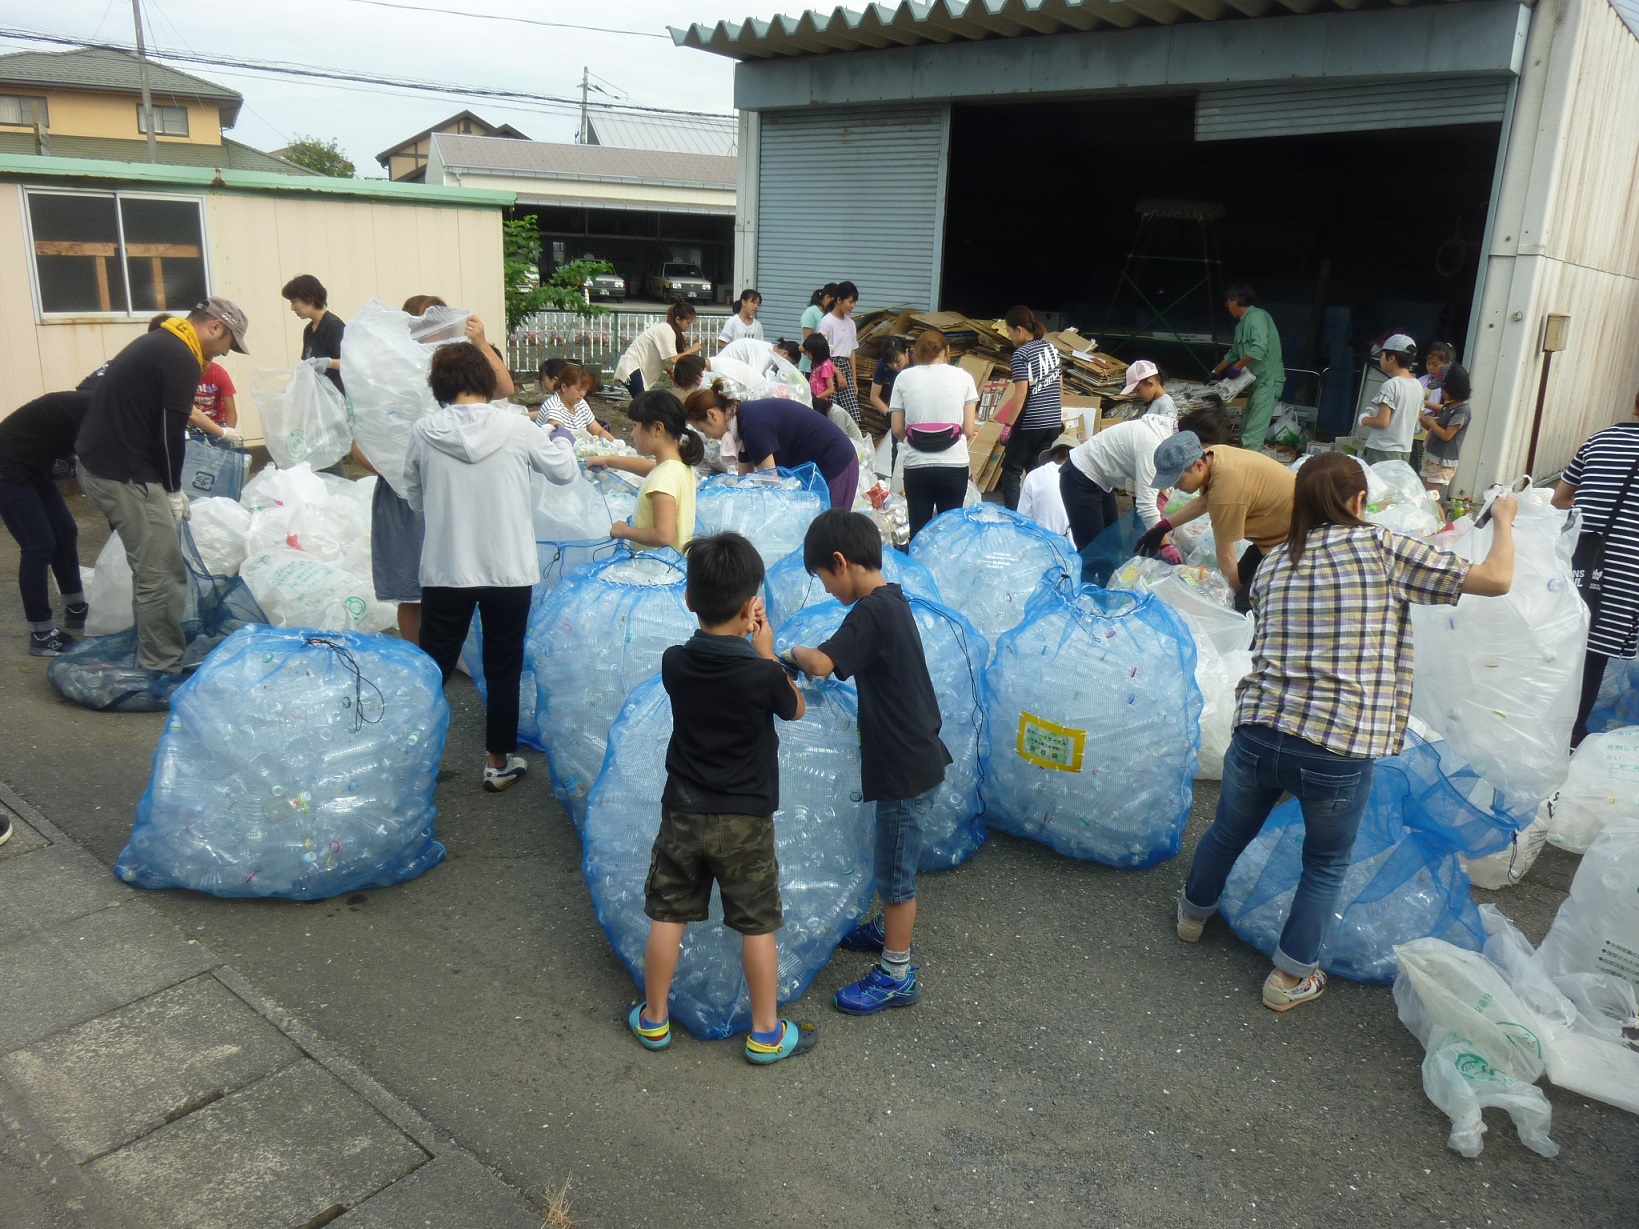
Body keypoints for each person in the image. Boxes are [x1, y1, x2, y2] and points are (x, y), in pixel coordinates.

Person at [1176, 453, 1517, 1010]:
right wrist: (1502, 519)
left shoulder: (1276, 562)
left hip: (1259, 728)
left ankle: (1192, 914)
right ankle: (1289, 979)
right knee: (1326, 862)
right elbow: (1497, 579)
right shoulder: (1380, 546)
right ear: (1359, 503)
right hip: (1335, 745)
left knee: (1227, 831)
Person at [628, 531, 815, 1064]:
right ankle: (765, 1031)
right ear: (750, 607)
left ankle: (655, 1018)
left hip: (683, 810)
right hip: (745, 820)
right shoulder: (762, 675)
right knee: (756, 924)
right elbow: (795, 709)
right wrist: (764, 650)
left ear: (689, 600)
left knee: (669, 914)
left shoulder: (673, 663)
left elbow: (707, 659)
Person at [781, 510, 950, 1015]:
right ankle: (885, 927)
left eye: (824, 580)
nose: (828, 591)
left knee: (896, 876)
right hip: (916, 756)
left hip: (903, 769)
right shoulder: (891, 600)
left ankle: (897, 973)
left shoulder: (870, 612)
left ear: (840, 562)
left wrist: (784, 652)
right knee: (893, 858)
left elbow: (822, 663)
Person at [404, 343, 578, 791]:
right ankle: (498, 762)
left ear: (438, 385)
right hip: (508, 567)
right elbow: (562, 472)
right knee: (503, 665)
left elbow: (414, 497)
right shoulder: (517, 426)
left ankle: (406, 759)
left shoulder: (423, 431)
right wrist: (562, 437)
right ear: (484, 379)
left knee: (433, 665)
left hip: (446, 568)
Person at [75, 297, 249, 674]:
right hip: (122, 473)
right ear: (216, 327)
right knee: (162, 573)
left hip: (110, 464)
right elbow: (171, 432)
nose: (223, 356)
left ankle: (152, 651)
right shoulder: (180, 356)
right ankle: (160, 664)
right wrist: (172, 488)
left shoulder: (160, 342)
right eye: (227, 346)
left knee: (155, 568)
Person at [358, 294, 515, 647]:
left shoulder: (455, 366)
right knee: (411, 589)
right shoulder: (385, 372)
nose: (437, 334)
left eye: (441, 325)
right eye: (427, 326)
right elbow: (360, 436)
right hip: (403, 495)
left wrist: (479, 341)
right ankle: (418, 664)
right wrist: (392, 471)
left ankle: (444, 656)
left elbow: (504, 388)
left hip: (451, 487)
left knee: (454, 581)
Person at [1553, 388, 1639, 747]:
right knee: (1594, 655)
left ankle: (1543, 722)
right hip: (1628, 571)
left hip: (1580, 561)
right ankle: (1570, 734)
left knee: (1562, 643)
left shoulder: (1600, 439)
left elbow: (1559, 498)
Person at [1136, 431, 1296, 614]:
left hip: (1291, 541)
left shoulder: (1225, 490)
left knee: (1243, 607)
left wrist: (1234, 598)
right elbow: (1205, 501)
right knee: (1231, 583)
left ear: (1198, 465)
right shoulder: (1214, 456)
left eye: (1178, 480)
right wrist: (1162, 527)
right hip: (1272, 535)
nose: (1175, 487)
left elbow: (1226, 557)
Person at [0, 390, 92, 656]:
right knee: (38, 544)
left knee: (65, 531)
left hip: (35, 466)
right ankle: (41, 634)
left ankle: (76, 609)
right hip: (8, 468)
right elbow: (100, 471)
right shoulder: (98, 412)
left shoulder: (103, 406)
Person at [685, 382, 861, 511]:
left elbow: (770, 481)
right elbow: (743, 478)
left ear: (713, 415)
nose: (707, 436)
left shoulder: (752, 425)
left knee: (831, 529)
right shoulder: (743, 422)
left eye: (703, 429)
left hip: (836, 461)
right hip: (823, 464)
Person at [587, 389, 701, 552]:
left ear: (657, 429)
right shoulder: (678, 465)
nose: (632, 433)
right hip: (674, 566)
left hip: (656, 570)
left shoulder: (663, 478)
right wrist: (608, 460)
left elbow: (664, 536)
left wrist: (624, 531)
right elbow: (649, 468)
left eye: (634, 426)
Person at [890, 330, 978, 538]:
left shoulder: (904, 377)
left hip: (917, 465)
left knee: (919, 531)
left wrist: (915, 442)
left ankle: (919, 569)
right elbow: (967, 428)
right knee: (950, 533)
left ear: (915, 353)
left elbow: (896, 428)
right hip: (954, 465)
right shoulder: (964, 377)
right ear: (947, 351)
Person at [995, 306, 1064, 511]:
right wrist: (1056, 414)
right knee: (1037, 469)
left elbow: (1021, 392)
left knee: (1011, 469)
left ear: (1019, 329)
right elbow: (1059, 386)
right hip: (1052, 422)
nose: (1009, 338)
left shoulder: (1021, 355)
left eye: (1008, 332)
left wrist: (1008, 425)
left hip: (1030, 422)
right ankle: (1039, 514)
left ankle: (1014, 518)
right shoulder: (1051, 349)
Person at [1213, 285, 1285, 451]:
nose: (1227, 307)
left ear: (1236, 299)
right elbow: (1233, 352)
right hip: (1255, 382)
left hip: (1268, 381)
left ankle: (1248, 471)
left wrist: (1237, 367)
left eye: (1228, 302)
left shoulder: (1257, 317)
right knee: (1245, 428)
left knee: (1253, 434)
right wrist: (1215, 371)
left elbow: (1258, 348)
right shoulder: (1241, 325)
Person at [614, 299, 699, 399]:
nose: (689, 326)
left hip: (632, 368)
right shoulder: (667, 330)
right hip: (631, 368)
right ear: (678, 319)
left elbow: (661, 356)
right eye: (688, 323)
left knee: (642, 404)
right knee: (642, 403)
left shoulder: (666, 329)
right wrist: (692, 349)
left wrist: (670, 372)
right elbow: (674, 359)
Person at [1358, 335, 1422, 465]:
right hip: (1404, 451)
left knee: (1375, 484)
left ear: (1392, 358)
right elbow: (1416, 420)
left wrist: (1364, 419)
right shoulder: (1417, 385)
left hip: (1382, 449)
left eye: (1382, 355)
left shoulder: (1391, 385)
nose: (1380, 359)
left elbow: (1382, 422)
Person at [1418, 364, 1472, 513]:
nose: (1441, 391)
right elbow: (1440, 409)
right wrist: (1422, 403)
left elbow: (1447, 435)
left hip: (1442, 461)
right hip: (1431, 455)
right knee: (1425, 495)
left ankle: (1441, 527)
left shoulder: (1462, 411)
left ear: (1454, 389)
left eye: (1443, 388)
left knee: (1432, 499)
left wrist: (1430, 422)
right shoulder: (1450, 405)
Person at [281, 274, 345, 395]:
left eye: (294, 302)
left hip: (338, 400)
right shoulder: (309, 330)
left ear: (309, 299)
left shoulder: (333, 326)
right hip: (320, 400)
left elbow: (352, 364)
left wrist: (329, 362)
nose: (292, 308)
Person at [1018, 433, 1076, 540]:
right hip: (1075, 549)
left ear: (1051, 456)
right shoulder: (1084, 478)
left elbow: (1022, 519)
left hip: (1041, 545)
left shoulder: (1033, 476)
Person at [816, 282, 860, 422]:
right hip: (829, 368)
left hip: (845, 368)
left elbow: (852, 352)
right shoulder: (826, 322)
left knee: (853, 416)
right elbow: (821, 353)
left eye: (855, 302)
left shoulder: (851, 323)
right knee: (830, 412)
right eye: (850, 301)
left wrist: (854, 380)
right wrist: (837, 373)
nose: (853, 305)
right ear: (839, 300)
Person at [540, 364, 613, 440]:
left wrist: (616, 443)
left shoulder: (581, 404)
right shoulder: (554, 408)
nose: (582, 394)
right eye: (578, 390)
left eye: (585, 390)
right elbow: (559, 440)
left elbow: (599, 431)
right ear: (564, 387)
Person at [1414, 341, 1456, 474]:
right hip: (1416, 429)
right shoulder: (1423, 380)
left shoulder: (1448, 385)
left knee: (1423, 466)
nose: (1431, 368)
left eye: (1435, 365)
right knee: (1413, 462)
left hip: (1431, 430)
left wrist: (1424, 403)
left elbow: (1448, 407)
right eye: (1428, 364)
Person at [868, 335, 911, 429]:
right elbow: (874, 396)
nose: (895, 366)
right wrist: (888, 414)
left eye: (898, 361)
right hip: (898, 404)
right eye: (890, 363)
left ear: (906, 353)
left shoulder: (917, 362)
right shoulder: (882, 364)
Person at [798, 284, 838, 375]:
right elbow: (809, 343)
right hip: (809, 369)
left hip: (825, 368)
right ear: (827, 298)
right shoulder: (811, 312)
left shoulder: (830, 315)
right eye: (835, 301)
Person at [802, 333, 837, 412]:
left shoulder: (826, 365)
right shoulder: (816, 363)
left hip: (820, 403)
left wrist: (816, 398)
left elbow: (830, 389)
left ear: (817, 352)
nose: (807, 355)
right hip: (813, 400)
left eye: (809, 353)